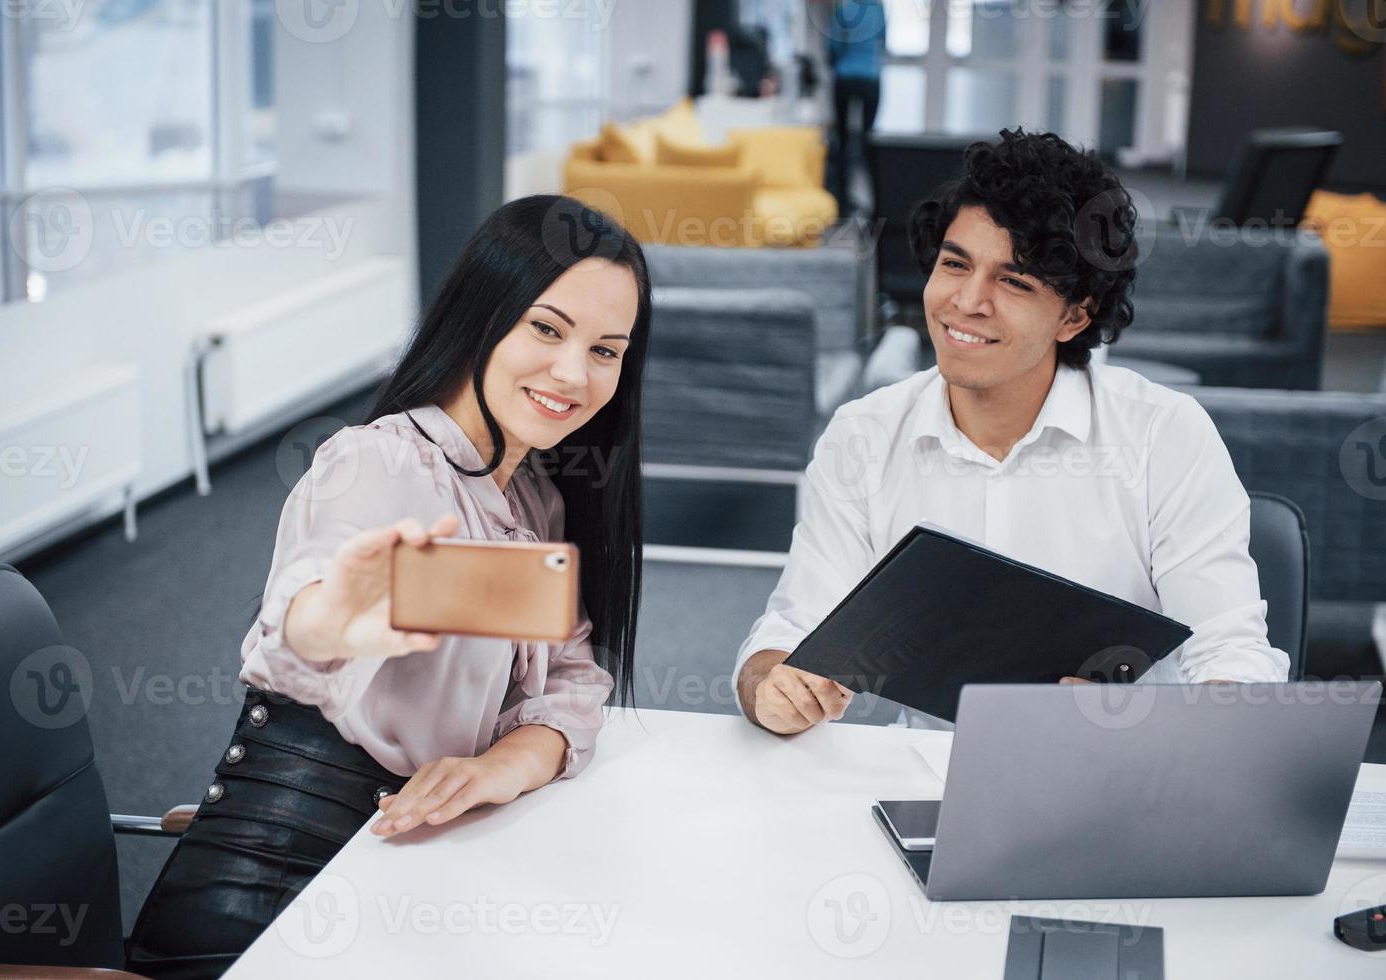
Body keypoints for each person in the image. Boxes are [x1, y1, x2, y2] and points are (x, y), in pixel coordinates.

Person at [125, 195, 651, 977]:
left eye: (606, 350)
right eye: (545, 328)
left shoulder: (535, 494)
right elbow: (299, 623)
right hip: (272, 891)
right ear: (481, 314)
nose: (574, 373)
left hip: (405, 862)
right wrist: (329, 619)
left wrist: (497, 766)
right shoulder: (376, 462)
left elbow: (572, 682)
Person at [734, 129, 1290, 735]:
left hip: (1120, 777)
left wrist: (1152, 726)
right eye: (955, 264)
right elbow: (790, 631)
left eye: (1015, 282)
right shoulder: (864, 434)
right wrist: (773, 687)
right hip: (922, 782)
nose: (967, 301)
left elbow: (1231, 654)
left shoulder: (1164, 435)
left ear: (1075, 315)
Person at [826, 0, 887, 217]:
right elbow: (883, 42)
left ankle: (841, 204)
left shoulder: (844, 9)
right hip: (870, 78)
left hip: (844, 78)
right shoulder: (878, 9)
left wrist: (840, 63)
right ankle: (877, 205)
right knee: (868, 142)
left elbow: (833, 45)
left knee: (841, 140)